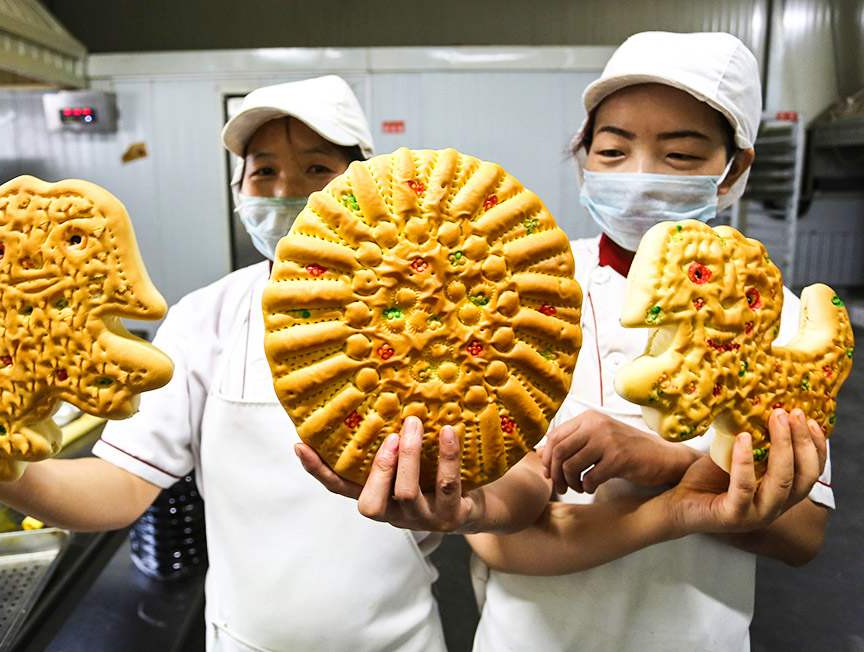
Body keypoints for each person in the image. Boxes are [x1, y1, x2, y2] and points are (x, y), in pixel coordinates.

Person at [0, 76, 449, 652]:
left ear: (366, 185)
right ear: (238, 190)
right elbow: (120, 488)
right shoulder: (208, 318)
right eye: (263, 171)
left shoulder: (432, 316)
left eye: (318, 169)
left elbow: (486, 483)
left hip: (400, 641)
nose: (285, 191)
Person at [299, 32, 832, 652]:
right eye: (612, 149)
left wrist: (673, 465)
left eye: (681, 156)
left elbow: (803, 535)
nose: (639, 175)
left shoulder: (779, 318)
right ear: (583, 158)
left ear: (735, 168)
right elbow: (510, 504)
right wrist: (466, 508)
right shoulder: (523, 289)